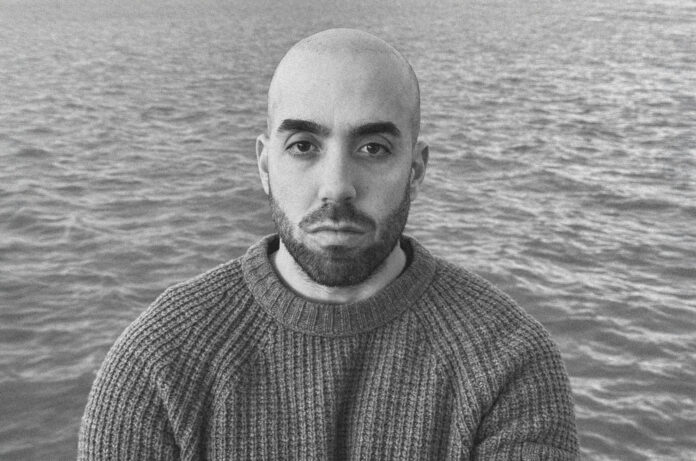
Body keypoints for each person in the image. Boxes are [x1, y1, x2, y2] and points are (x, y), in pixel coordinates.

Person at [78, 28, 578, 460]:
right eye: (303, 146)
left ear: (416, 169)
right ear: (265, 165)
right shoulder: (160, 363)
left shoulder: (508, 363)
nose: (337, 187)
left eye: (373, 148)